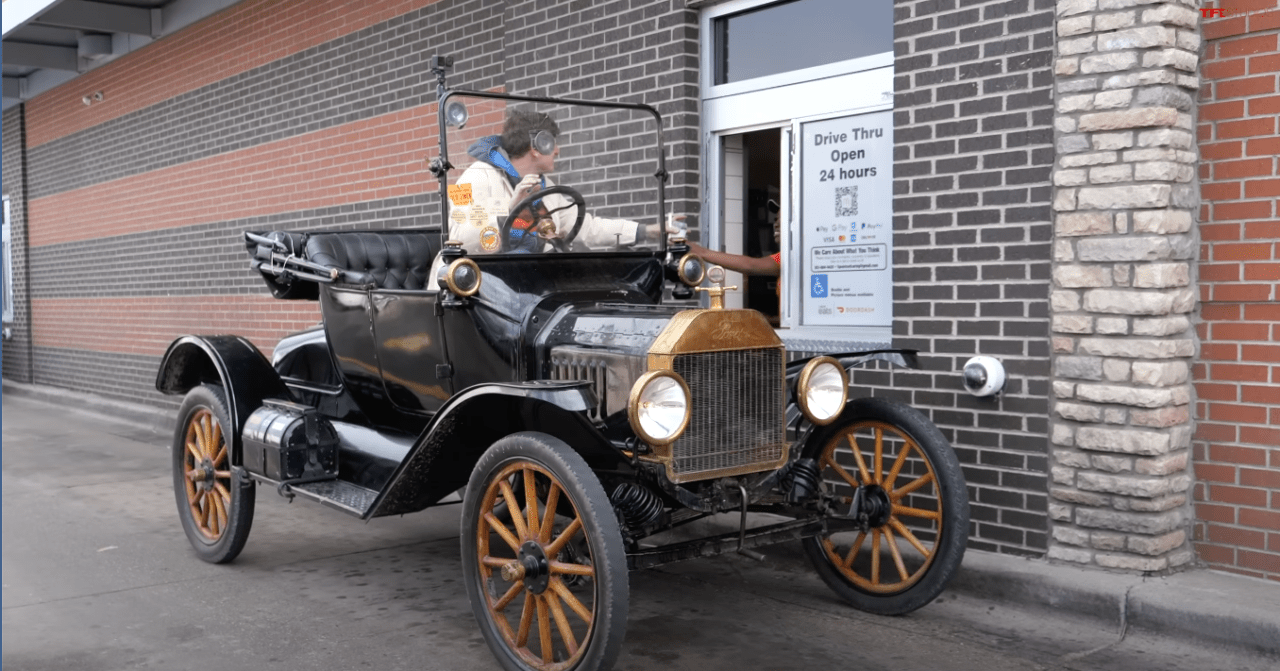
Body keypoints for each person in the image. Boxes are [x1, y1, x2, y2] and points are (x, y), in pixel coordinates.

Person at [446, 109, 663, 253]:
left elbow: (588, 228)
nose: (557, 151)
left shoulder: (547, 187)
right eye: (553, 144)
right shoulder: (471, 178)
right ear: (536, 147)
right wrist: (509, 214)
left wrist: (646, 231)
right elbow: (459, 239)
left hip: (528, 279)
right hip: (477, 285)